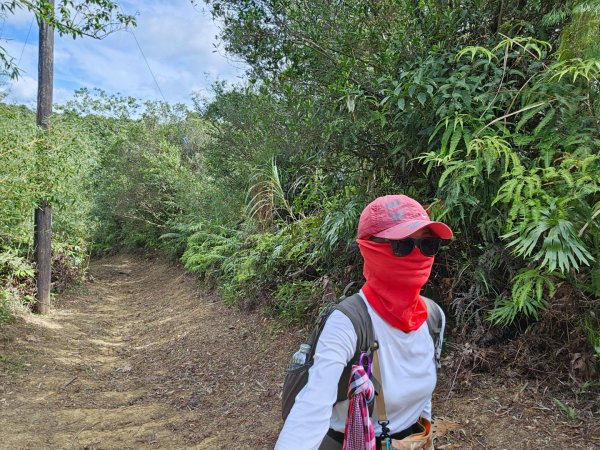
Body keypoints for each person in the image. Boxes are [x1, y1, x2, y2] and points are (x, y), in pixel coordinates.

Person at [274, 194, 453, 450]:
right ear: (368, 248)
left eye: (428, 245)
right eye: (402, 245)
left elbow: (424, 397)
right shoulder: (348, 322)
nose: (417, 255)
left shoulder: (432, 316)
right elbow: (312, 406)